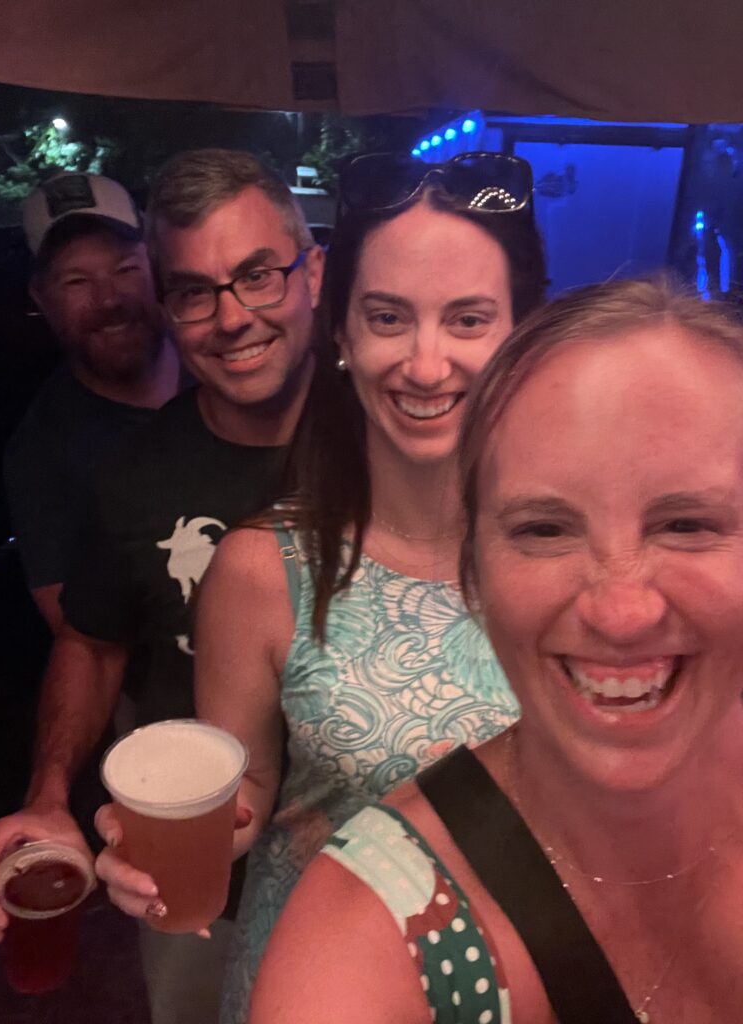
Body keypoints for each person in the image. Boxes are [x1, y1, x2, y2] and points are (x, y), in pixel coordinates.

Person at [95, 150, 548, 1023]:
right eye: (387, 316)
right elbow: (246, 796)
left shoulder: (582, 562)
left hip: (519, 990)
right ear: (339, 330)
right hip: (310, 993)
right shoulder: (262, 569)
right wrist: (160, 849)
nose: (424, 363)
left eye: (467, 318)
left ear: (523, 331)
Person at [248, 276, 743, 1024]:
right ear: (473, 573)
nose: (620, 610)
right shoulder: (364, 953)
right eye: (544, 529)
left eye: (686, 524)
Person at [0, 149, 325, 1024]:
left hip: (373, 846)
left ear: (311, 270)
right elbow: (89, 640)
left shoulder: (390, 433)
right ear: (170, 308)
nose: (232, 317)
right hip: (194, 866)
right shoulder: (133, 473)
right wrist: (50, 794)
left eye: (257, 275)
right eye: (196, 291)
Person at [5, 171, 180, 633]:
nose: (109, 299)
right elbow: (79, 639)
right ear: (41, 298)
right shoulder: (41, 455)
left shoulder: (223, 364)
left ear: (156, 266)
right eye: (77, 281)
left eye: (125, 269)